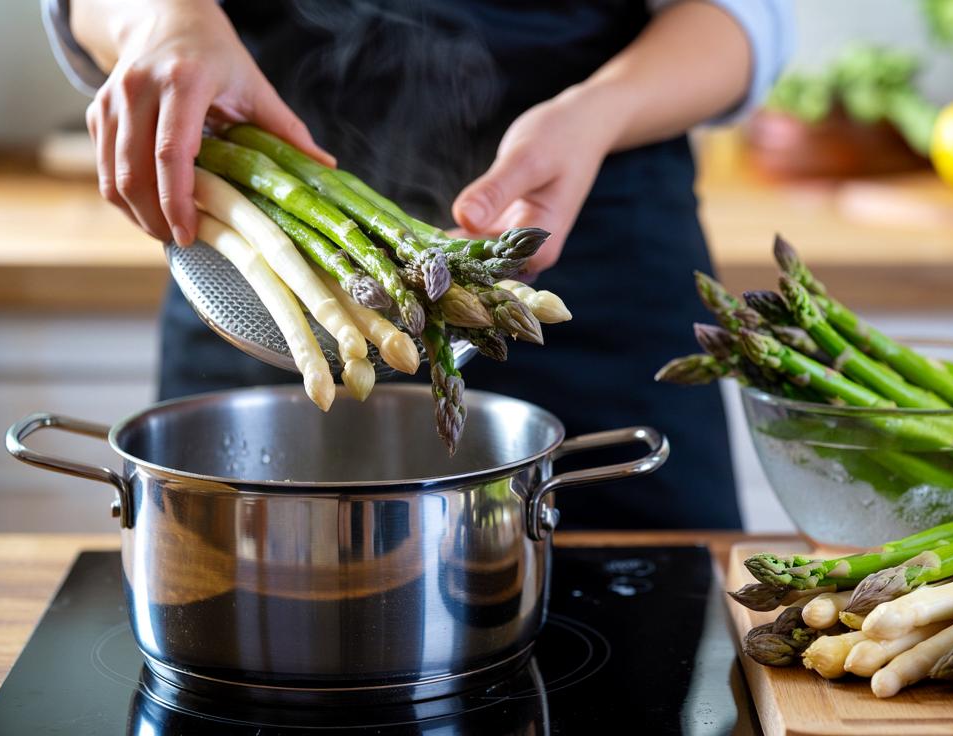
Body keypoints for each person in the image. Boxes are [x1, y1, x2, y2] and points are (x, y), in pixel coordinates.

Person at [43, 0, 792, 530]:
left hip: (598, 239)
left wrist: (600, 110)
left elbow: (743, 15)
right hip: (250, 264)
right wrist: (162, 20)